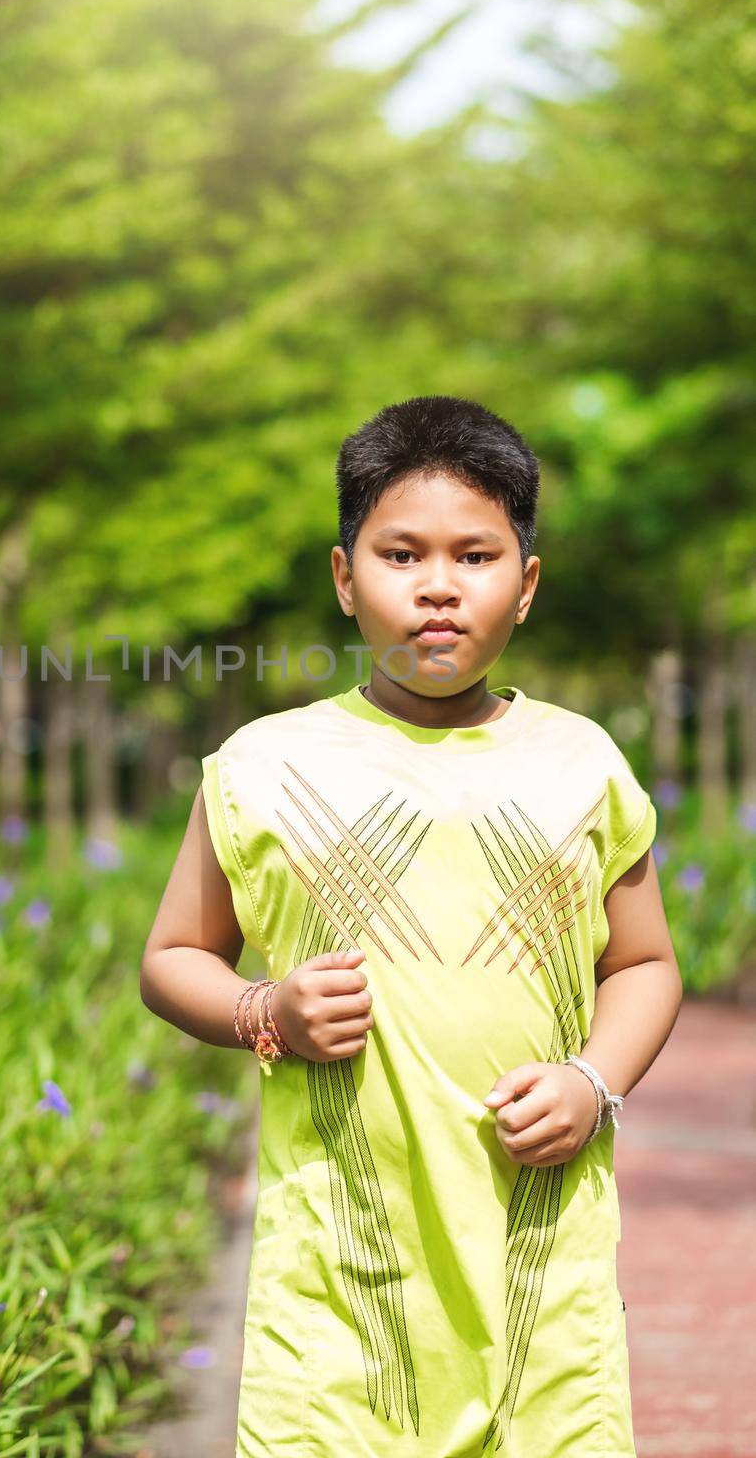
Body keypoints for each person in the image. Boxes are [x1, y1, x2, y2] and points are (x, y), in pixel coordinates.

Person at [139, 395, 683, 1458]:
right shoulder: (262, 765)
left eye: (474, 555)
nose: (436, 584)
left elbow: (647, 964)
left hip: (536, 1264)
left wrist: (592, 1081)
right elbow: (171, 958)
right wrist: (266, 1010)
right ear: (344, 578)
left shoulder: (580, 766)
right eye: (400, 553)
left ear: (522, 586)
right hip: (336, 1279)